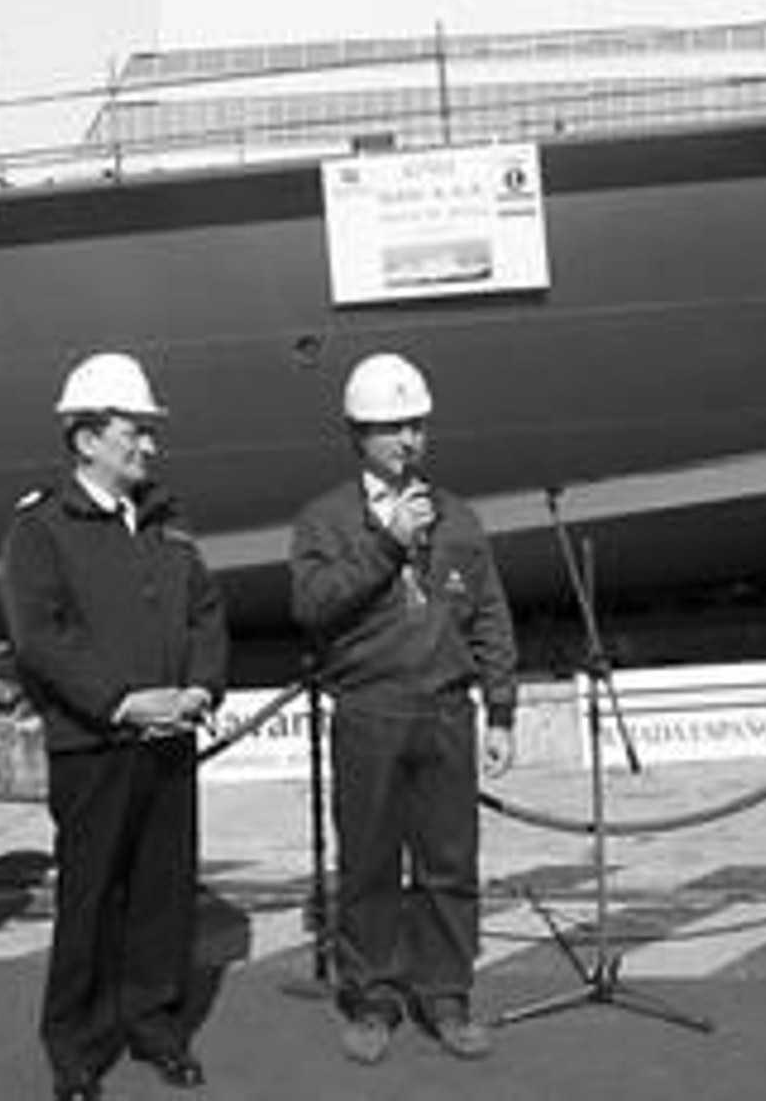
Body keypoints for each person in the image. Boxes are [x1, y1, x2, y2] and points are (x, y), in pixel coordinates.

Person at [1, 352, 228, 1101]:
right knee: (91, 898)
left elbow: (205, 612)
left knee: (164, 892)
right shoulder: (42, 528)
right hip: (96, 746)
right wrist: (124, 701)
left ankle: (156, 1024)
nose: (150, 446)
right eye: (136, 430)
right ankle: (76, 1045)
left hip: (170, 742)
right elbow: (40, 636)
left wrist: (199, 686)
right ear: (88, 438)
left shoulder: (168, 522)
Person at [289, 351, 519, 1066]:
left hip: (447, 712)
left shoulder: (458, 517)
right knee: (369, 865)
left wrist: (503, 707)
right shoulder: (325, 521)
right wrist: (386, 546)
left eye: (415, 425)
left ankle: (447, 996)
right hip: (369, 710)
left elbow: (489, 615)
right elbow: (313, 606)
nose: (407, 440)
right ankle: (374, 996)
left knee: (451, 863)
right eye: (391, 428)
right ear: (358, 434)